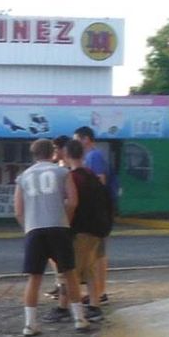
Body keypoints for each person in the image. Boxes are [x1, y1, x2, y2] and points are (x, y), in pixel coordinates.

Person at [15, 139, 89, 337]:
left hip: (34, 229)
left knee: (34, 278)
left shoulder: (23, 177)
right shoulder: (62, 172)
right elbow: (73, 201)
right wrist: (66, 220)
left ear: (34, 154)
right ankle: (79, 318)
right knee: (70, 273)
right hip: (59, 226)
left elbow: (18, 210)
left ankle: (30, 323)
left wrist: (27, 227)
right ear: (53, 153)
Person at [61, 138, 113, 323]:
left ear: (65, 156)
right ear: (83, 155)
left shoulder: (71, 178)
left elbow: (71, 203)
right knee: (89, 269)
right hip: (98, 229)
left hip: (80, 230)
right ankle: (94, 304)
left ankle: (65, 307)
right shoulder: (92, 176)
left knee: (70, 270)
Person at [73, 126, 114, 306]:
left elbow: (100, 182)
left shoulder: (93, 156)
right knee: (94, 255)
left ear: (86, 139)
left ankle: (100, 291)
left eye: (77, 139)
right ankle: (96, 292)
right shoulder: (90, 157)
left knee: (98, 255)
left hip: (98, 213)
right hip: (98, 212)